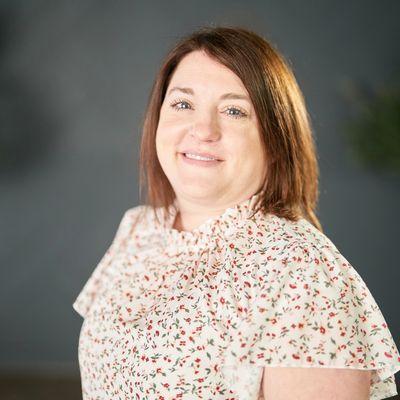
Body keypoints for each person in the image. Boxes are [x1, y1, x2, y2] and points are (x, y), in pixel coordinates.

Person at [73, 26, 400, 399]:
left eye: (234, 110)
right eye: (183, 104)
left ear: (276, 138)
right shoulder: (139, 227)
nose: (204, 130)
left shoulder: (302, 270)